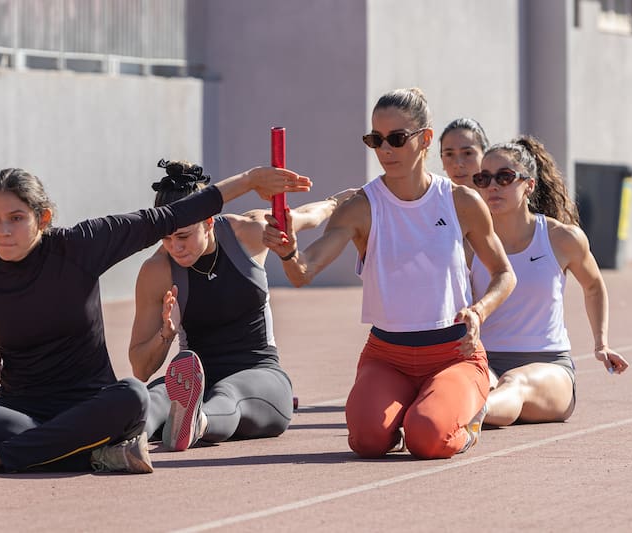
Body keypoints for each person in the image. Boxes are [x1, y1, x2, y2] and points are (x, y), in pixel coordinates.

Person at [0, 164, 311, 475]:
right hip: (20, 411)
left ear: (43, 217)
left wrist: (249, 180)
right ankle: (94, 457)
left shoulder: (80, 247)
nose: (3, 231)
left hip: (93, 407)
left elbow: (173, 215)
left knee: (133, 396)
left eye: (16, 218)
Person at [264, 87, 516, 459]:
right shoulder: (361, 207)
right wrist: (288, 252)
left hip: (454, 354)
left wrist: (478, 313)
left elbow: (504, 274)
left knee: (428, 439)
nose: (385, 150)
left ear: (425, 139)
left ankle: (462, 421)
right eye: (375, 140)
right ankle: (410, 409)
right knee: (367, 441)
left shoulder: (461, 202)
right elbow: (303, 272)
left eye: (397, 139)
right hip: (387, 356)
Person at [129, 159, 354, 451]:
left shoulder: (248, 233)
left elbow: (304, 216)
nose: (175, 247)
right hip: (195, 377)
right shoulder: (157, 271)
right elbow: (141, 368)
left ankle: (198, 420)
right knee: (155, 396)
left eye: (183, 236)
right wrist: (165, 335)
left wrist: (335, 202)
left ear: (208, 221)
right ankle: (127, 439)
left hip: (260, 377)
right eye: (167, 238)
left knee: (228, 392)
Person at [468, 136, 629, 427]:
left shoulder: (562, 239)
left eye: (504, 177)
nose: (492, 186)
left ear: (528, 185)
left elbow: (593, 286)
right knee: (472, 386)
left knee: (515, 381)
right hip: (484, 362)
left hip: (549, 366)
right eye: (483, 178)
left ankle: (463, 418)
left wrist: (601, 344)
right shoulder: (469, 242)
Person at [439, 117, 490, 188]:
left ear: (485, 155)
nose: (458, 164)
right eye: (449, 154)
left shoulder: (504, 196)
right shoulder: (434, 198)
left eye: (467, 153)